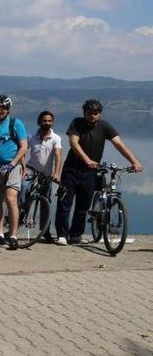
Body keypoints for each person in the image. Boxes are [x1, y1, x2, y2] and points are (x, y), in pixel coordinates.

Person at [54, 99, 143, 246]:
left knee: (83, 205)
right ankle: (62, 234)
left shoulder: (104, 126)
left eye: (96, 113)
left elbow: (119, 144)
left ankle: (75, 235)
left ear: (100, 114)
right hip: (72, 169)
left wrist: (134, 161)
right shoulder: (77, 123)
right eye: (90, 113)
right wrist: (87, 159)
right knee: (65, 202)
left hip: (91, 172)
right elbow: (73, 143)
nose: (93, 116)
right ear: (85, 113)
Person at [0, 95, 28, 250]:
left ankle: (14, 236)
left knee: (11, 199)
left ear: (8, 109)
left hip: (12, 166)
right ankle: (0, 234)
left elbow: (23, 146)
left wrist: (13, 164)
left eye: (3, 108)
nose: (0, 110)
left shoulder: (16, 124)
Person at [23, 110, 62, 243]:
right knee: (23, 189)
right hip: (31, 169)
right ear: (40, 122)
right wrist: (23, 168)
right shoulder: (31, 137)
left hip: (46, 174)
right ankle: (18, 217)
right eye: (44, 120)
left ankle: (45, 232)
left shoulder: (56, 138)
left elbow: (58, 156)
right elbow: (23, 152)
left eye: (50, 121)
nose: (47, 123)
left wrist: (56, 173)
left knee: (46, 202)